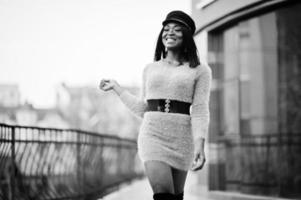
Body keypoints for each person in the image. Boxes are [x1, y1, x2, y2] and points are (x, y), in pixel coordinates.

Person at [99, 10, 212, 200]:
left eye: (176, 29)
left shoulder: (200, 71)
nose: (169, 32)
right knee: (164, 194)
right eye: (166, 29)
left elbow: (200, 110)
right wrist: (118, 89)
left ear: (187, 36)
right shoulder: (150, 69)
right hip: (153, 136)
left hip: (182, 140)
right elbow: (144, 109)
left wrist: (200, 144)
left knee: (176, 196)